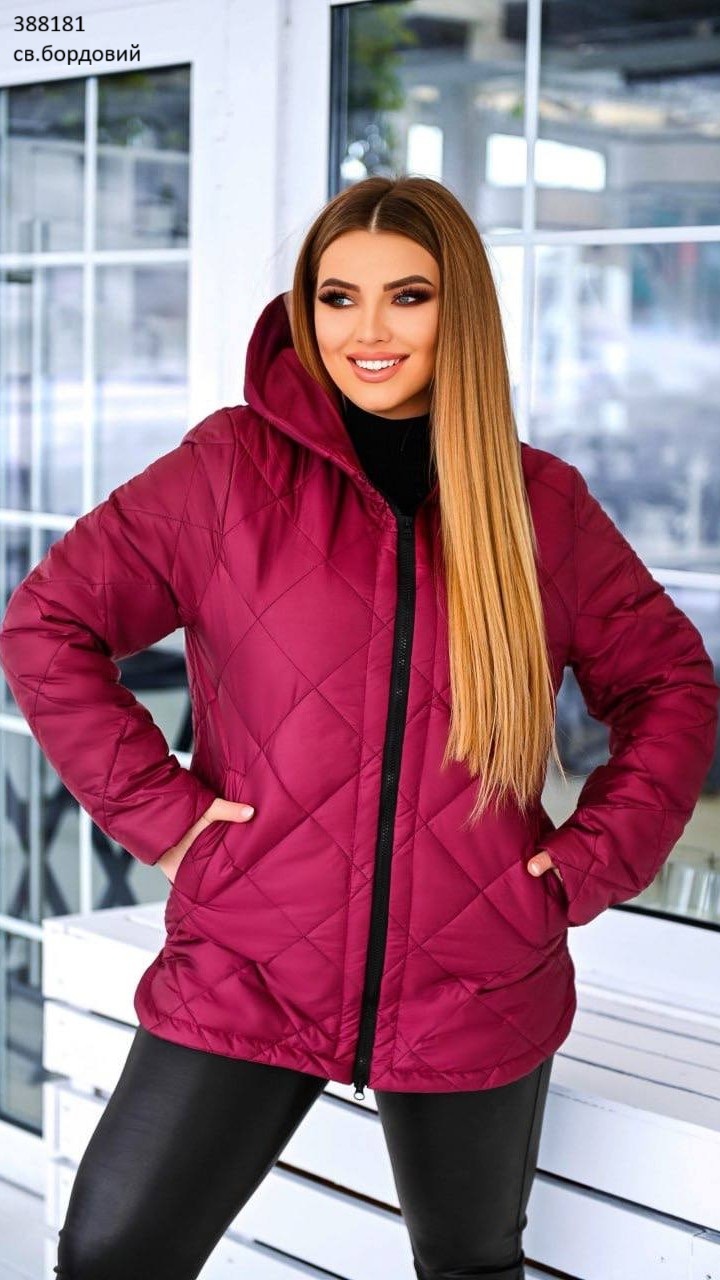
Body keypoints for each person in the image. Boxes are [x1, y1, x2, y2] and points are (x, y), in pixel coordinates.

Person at [0, 175, 717, 1280]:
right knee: (111, 1255)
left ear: (457, 311)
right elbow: (47, 624)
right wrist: (164, 816)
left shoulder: (539, 506)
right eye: (338, 297)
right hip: (252, 951)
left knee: (469, 1267)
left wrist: (586, 864)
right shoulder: (228, 471)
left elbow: (673, 685)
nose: (367, 331)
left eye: (407, 296)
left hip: (476, 965)